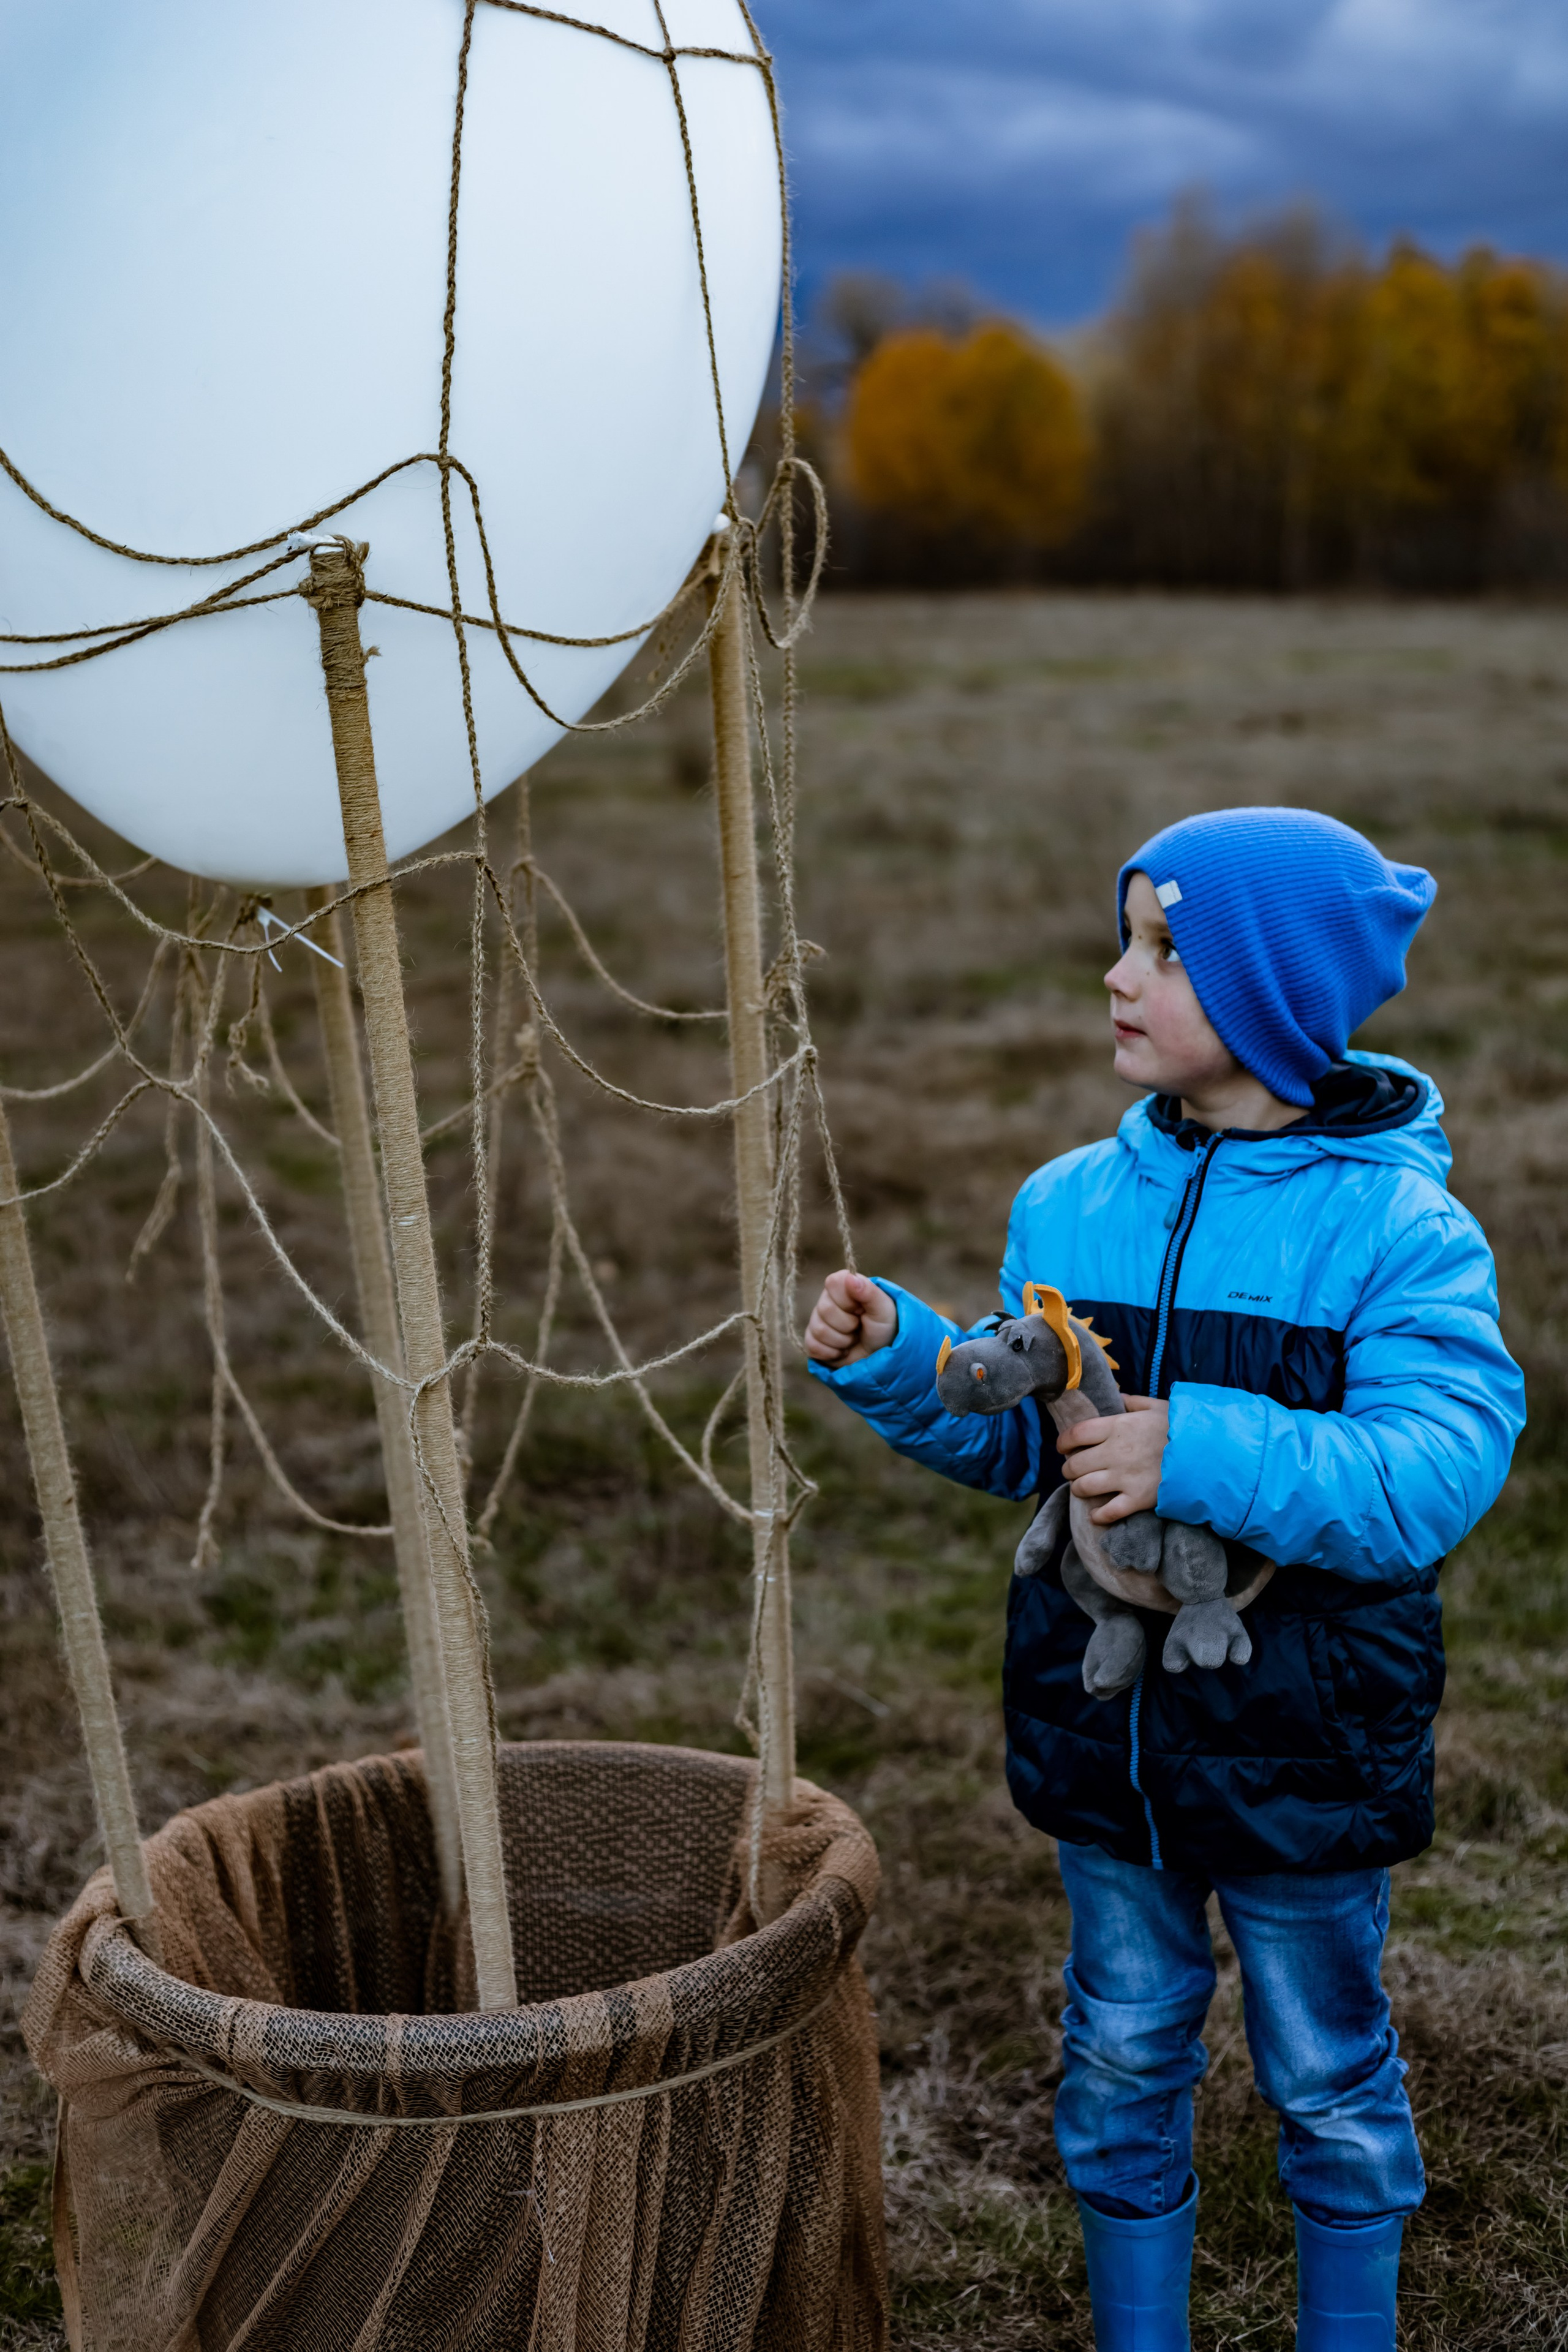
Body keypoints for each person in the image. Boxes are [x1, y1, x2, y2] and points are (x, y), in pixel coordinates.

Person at [805, 807, 1524, 2352]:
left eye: (1165, 948)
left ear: (1277, 1000)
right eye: (1124, 935)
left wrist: (1190, 1450)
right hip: (1104, 1727)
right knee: (1120, 2047)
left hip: (1304, 1741)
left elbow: (1433, 1471)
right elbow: (1030, 1450)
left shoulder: (1394, 1227)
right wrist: (903, 1363)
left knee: (1325, 2067)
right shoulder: (1068, 1202)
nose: (1116, 974)